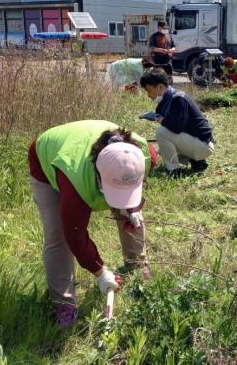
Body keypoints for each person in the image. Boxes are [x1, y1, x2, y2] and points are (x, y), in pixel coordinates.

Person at [29, 120, 156, 328]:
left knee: (130, 209)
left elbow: (128, 183)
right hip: (49, 158)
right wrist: (99, 271)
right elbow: (75, 236)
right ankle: (64, 302)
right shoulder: (75, 179)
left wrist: (133, 208)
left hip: (94, 152)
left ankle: (137, 265)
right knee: (57, 233)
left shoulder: (144, 154)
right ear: (97, 175)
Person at [140, 68, 215, 176]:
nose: (148, 95)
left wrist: (157, 118)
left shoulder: (178, 99)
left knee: (162, 134)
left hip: (204, 145)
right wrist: (158, 116)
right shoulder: (165, 101)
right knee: (164, 147)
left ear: (160, 87)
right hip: (196, 142)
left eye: (149, 90)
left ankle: (174, 171)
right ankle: (197, 162)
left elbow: (176, 128)